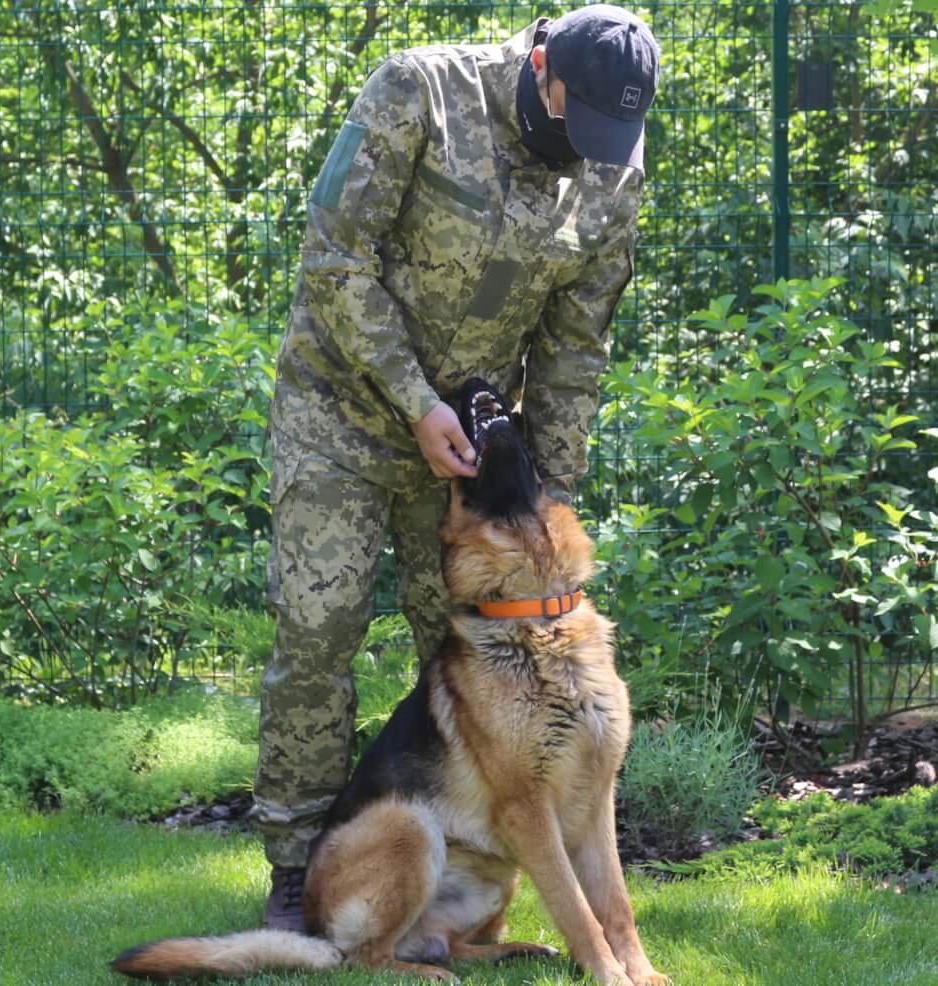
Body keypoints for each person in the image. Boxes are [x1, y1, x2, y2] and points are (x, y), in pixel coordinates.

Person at [250, 4, 660, 931]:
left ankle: (472, 888)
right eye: (577, 117)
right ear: (543, 64)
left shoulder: (612, 166)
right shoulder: (420, 89)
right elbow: (336, 257)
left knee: (489, 668)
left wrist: (543, 505)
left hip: (471, 462)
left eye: (613, 133)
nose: (589, 147)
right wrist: (413, 400)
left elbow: (574, 347)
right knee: (319, 627)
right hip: (344, 415)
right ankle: (296, 871)